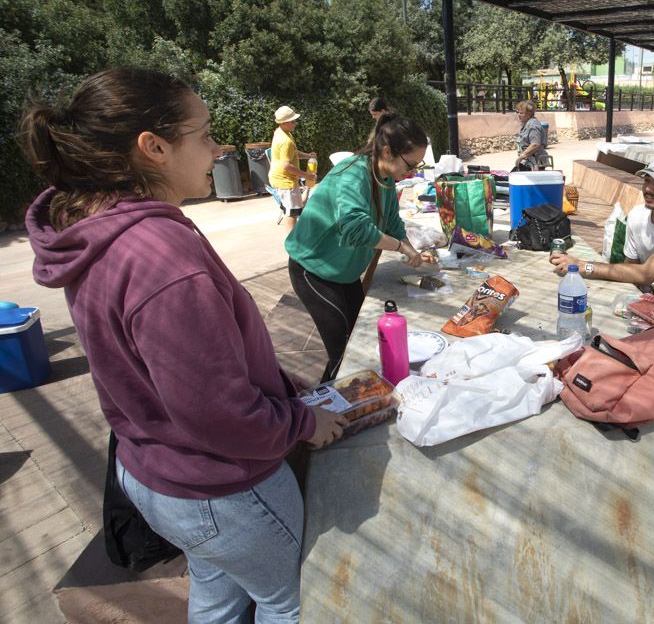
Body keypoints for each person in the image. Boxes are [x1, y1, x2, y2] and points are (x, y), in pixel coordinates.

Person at [19, 68, 347, 622]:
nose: (216, 148)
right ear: (154, 148)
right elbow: (217, 415)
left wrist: (272, 380)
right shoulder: (160, 257)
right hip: (221, 490)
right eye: (205, 133)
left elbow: (166, 364)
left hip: (155, 473)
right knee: (291, 603)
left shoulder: (96, 225)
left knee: (216, 596)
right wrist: (302, 423)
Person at [286, 113, 429, 383]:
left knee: (358, 342)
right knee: (343, 354)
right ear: (387, 151)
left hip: (344, 272)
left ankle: (339, 401)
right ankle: (325, 411)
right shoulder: (354, 173)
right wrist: (400, 246)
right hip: (314, 270)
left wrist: (410, 248)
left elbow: (392, 221)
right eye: (410, 164)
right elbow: (356, 228)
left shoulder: (385, 177)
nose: (411, 172)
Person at [550, 153, 654, 312]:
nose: (648, 189)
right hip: (650, 300)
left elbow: (647, 274)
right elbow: (630, 270)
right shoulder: (637, 215)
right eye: (647, 180)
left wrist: (583, 266)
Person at [268, 105, 318, 232]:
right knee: (292, 213)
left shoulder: (281, 132)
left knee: (291, 209)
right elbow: (286, 165)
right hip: (285, 182)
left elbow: (293, 153)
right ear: (284, 123)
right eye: (293, 121)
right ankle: (292, 242)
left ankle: (293, 239)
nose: (295, 123)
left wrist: (307, 156)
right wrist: (306, 176)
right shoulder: (286, 141)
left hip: (281, 179)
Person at [514, 99, 546, 171]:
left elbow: (535, 144)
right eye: (518, 112)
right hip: (529, 162)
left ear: (529, 114)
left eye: (522, 113)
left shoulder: (533, 125)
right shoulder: (527, 124)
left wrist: (522, 156)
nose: (519, 115)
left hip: (535, 163)